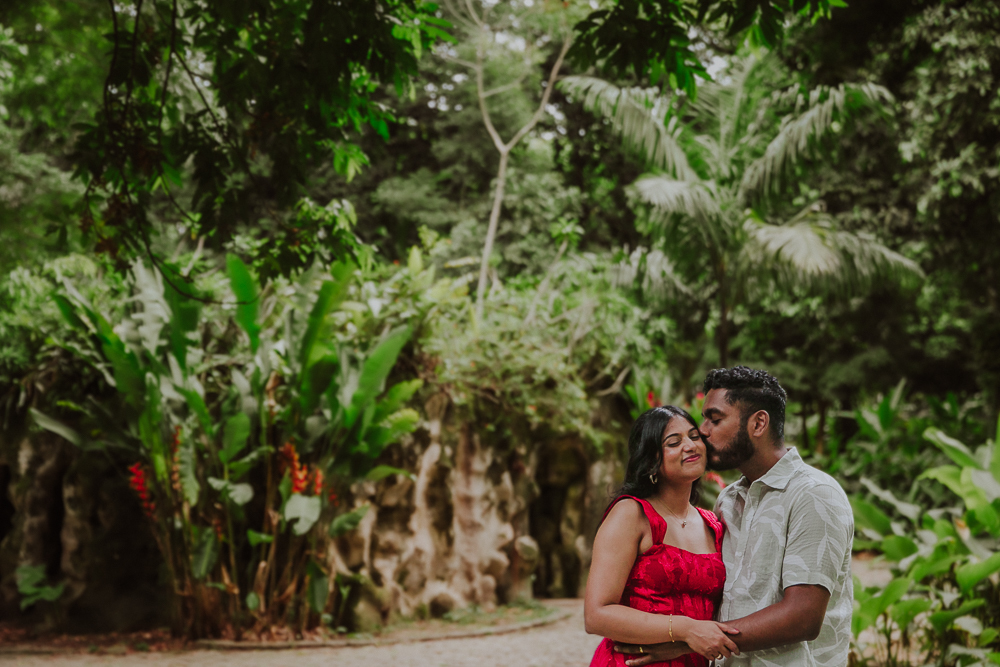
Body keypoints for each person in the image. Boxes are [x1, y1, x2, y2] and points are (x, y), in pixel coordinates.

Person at [616, 366, 854, 667]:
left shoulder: (815, 495)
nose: (702, 430)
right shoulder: (728, 501)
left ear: (758, 424)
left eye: (714, 419)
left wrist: (690, 642)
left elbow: (803, 616)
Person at [585, 405, 741, 666]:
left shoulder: (713, 524)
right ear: (651, 460)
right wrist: (685, 629)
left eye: (694, 436)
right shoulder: (632, 514)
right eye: (674, 442)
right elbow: (596, 615)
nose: (690, 446)